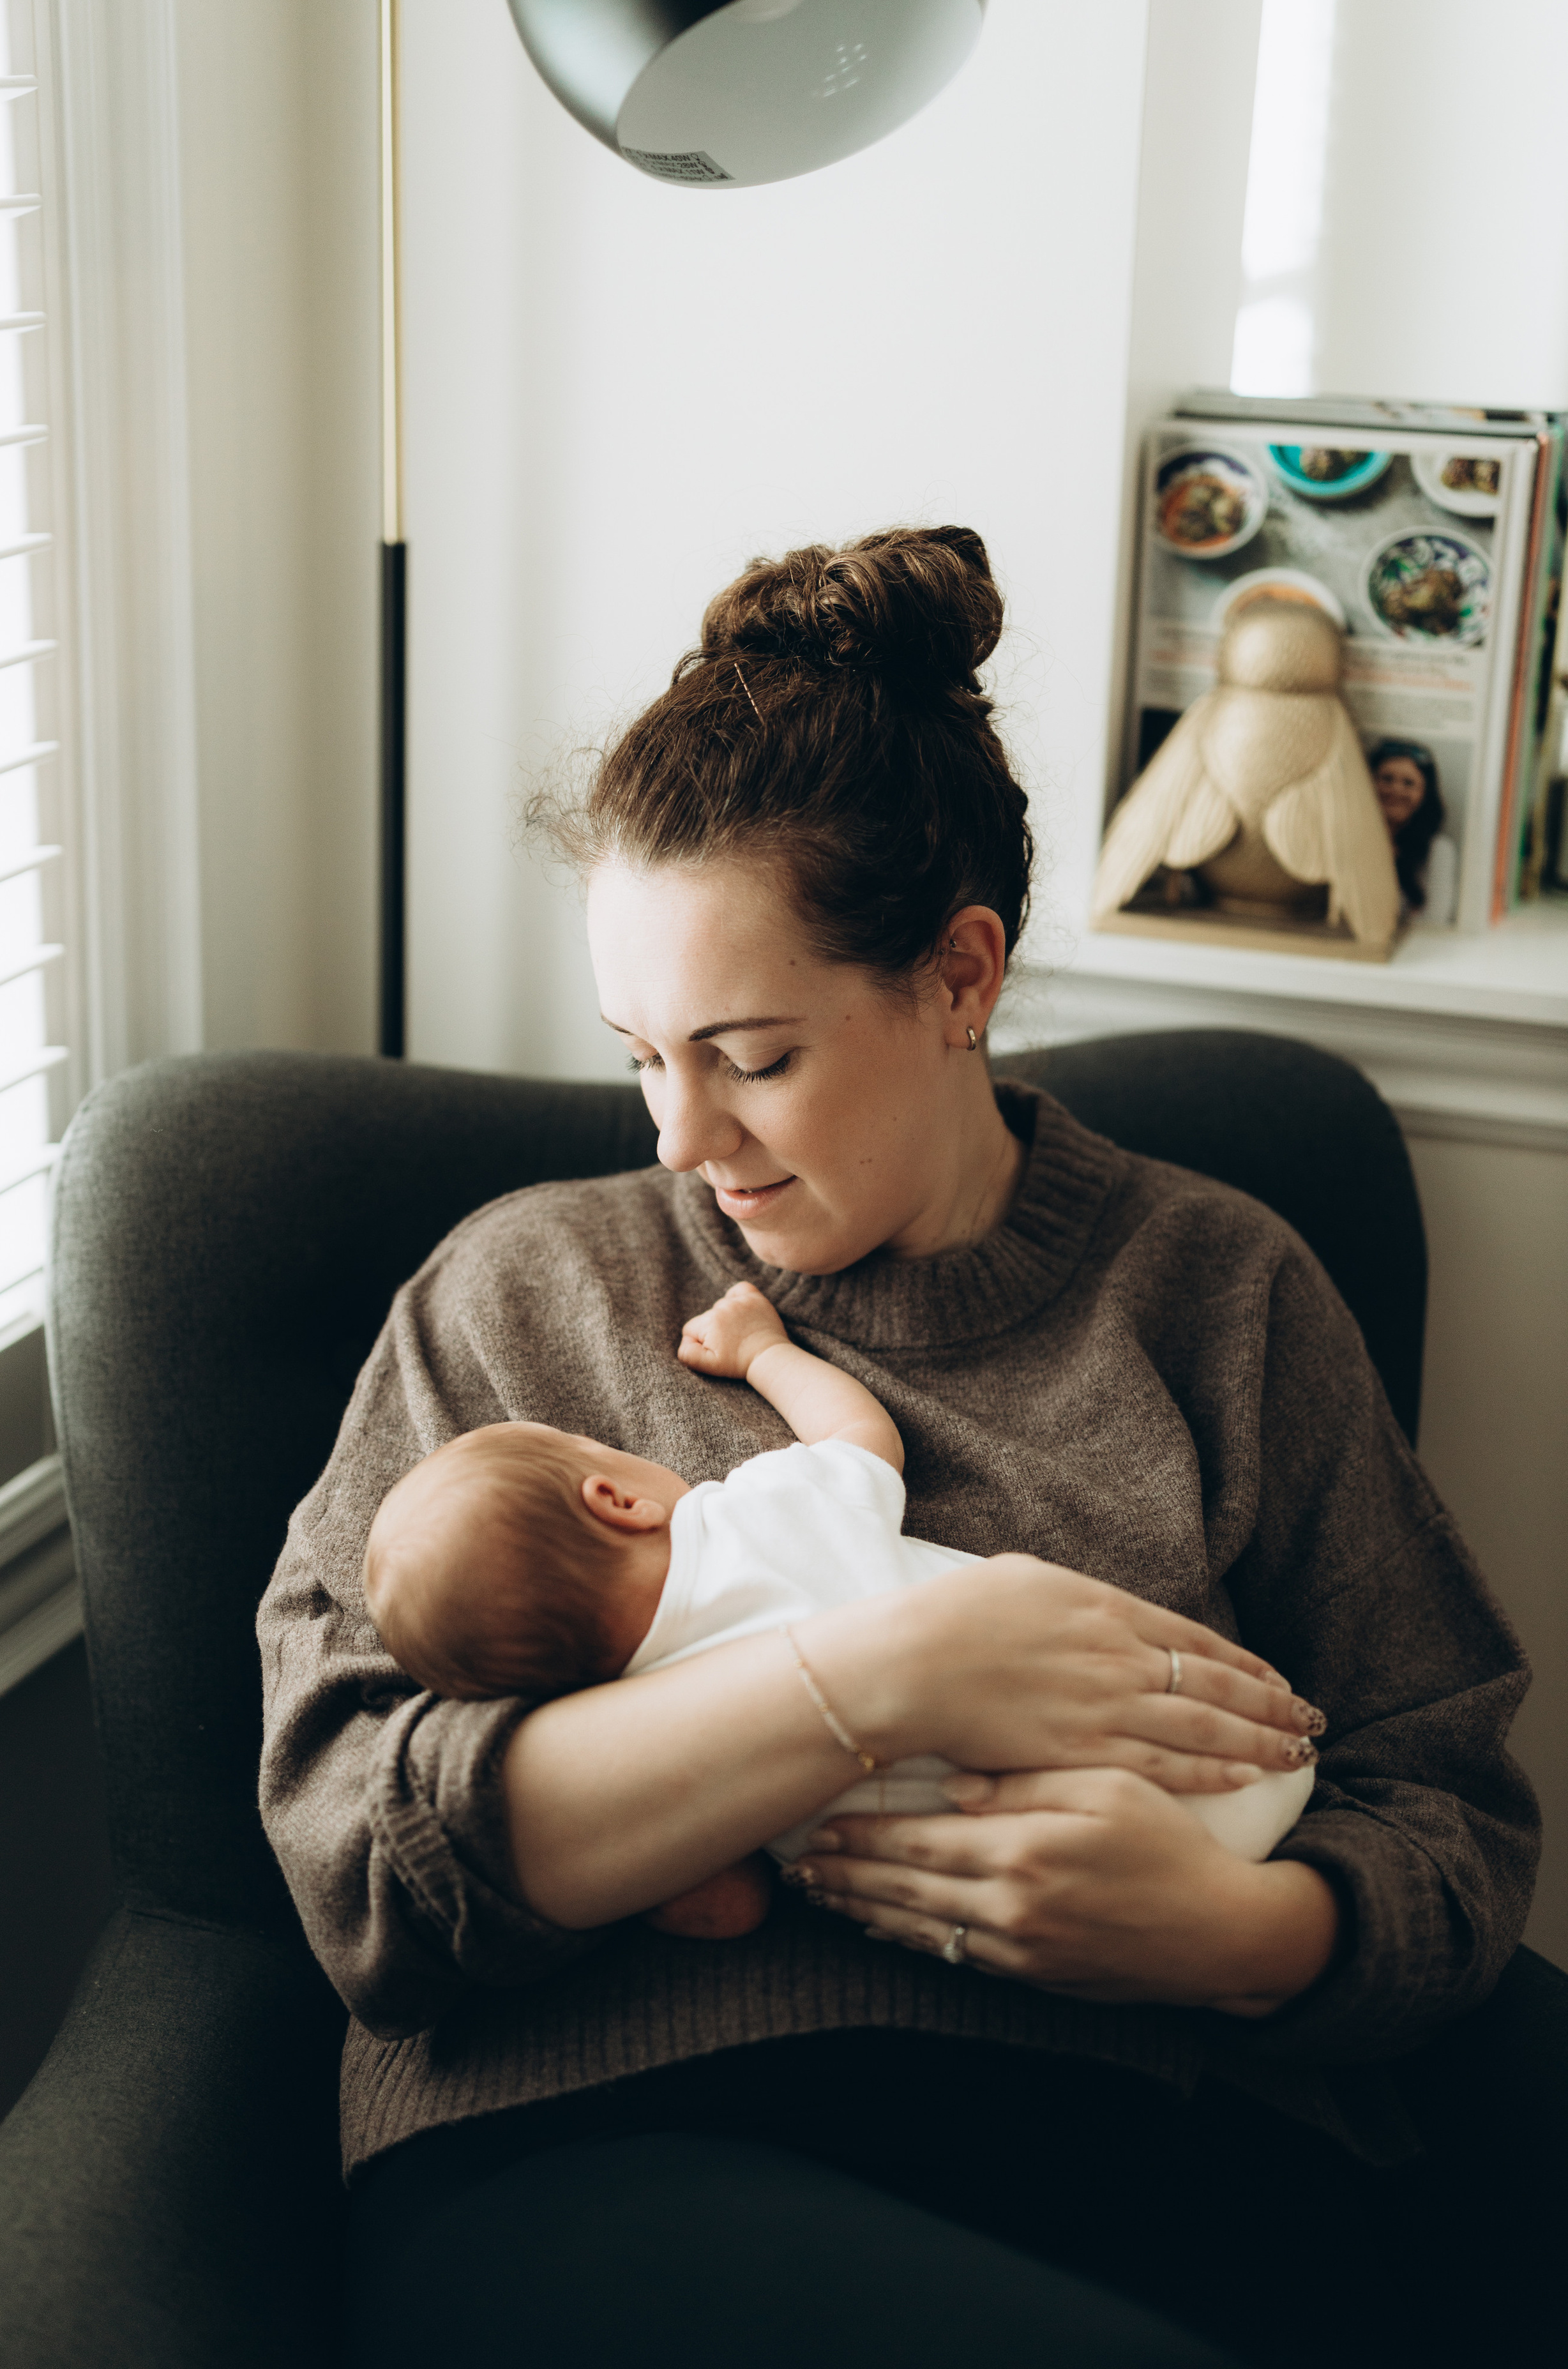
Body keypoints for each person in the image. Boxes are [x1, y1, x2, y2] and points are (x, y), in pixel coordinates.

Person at [257, 527, 1551, 2369]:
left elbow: (1453, 1813)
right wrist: (886, 1670)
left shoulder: (1215, 1291)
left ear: (960, 977)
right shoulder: (518, 1298)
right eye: (641, 1055)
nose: (680, 1140)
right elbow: (363, 1865)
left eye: (753, 1057)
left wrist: (1238, 1934)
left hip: (1163, 2160)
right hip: (619, 2159)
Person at [363, 1278, 1317, 1944]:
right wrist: (765, 1352)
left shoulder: (636, 1733)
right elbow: (859, 1436)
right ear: (616, 1501)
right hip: (1226, 1753)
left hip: (1010, 1883)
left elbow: (729, 1906)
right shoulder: (754, 1517)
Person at [1369, 737, 1458, 923]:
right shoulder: (1352, 840)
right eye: (1387, 779)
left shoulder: (1439, 851)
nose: (1396, 790)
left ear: (1425, 794)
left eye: (1409, 783)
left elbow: (1435, 921)